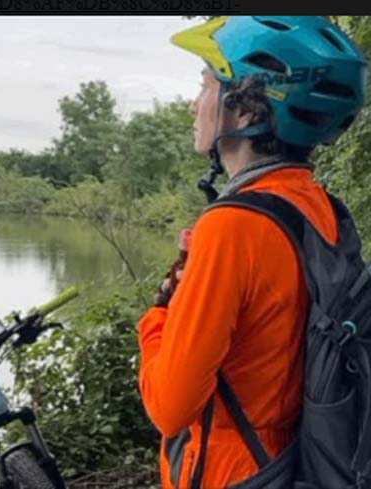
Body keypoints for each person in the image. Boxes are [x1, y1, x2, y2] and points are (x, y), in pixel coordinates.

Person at [137, 16, 367, 489]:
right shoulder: (316, 208)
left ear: (244, 111)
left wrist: (159, 316)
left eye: (206, 85)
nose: (194, 104)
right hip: (298, 462)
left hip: (234, 473)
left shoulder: (233, 226)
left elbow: (170, 408)